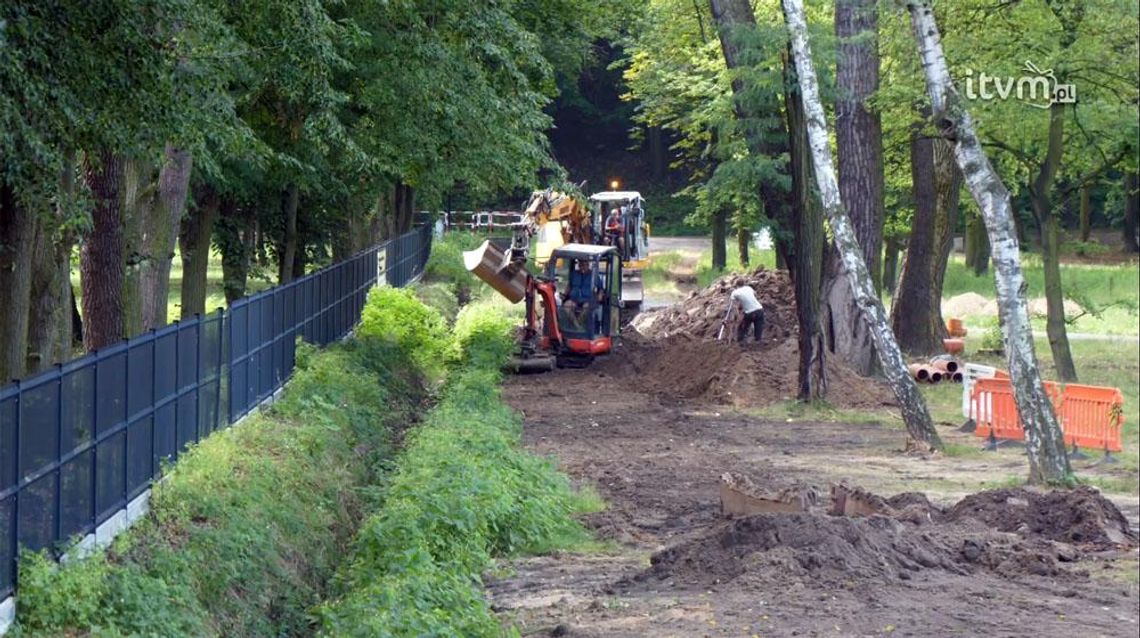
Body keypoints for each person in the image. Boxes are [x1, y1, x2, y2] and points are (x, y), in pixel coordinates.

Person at [561, 259, 604, 331]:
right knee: (567, 305)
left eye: (584, 265)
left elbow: (600, 289)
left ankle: (576, 326)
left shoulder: (594, 276)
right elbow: (569, 286)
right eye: (580, 265)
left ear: (588, 265)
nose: (582, 267)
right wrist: (564, 295)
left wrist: (599, 296)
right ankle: (578, 327)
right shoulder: (574, 274)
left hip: (587, 300)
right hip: (574, 299)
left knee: (586, 306)